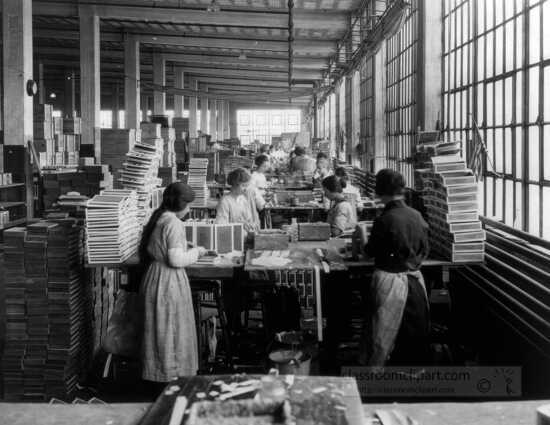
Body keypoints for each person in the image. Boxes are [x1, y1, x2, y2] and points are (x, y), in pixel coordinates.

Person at [358, 169, 430, 366]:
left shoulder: (384, 219)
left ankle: (379, 374)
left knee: (383, 331)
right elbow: (425, 251)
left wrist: (362, 233)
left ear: (380, 191)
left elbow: (368, 253)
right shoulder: (417, 216)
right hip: (415, 284)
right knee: (413, 332)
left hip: (389, 283)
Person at [139, 183, 207, 387]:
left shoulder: (160, 217)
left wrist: (186, 246)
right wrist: (197, 252)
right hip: (168, 282)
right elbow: (176, 260)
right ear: (180, 204)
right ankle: (171, 380)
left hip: (155, 277)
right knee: (172, 331)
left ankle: (158, 374)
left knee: (159, 333)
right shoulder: (175, 223)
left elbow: (164, 247)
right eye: (188, 205)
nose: (189, 210)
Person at [215, 167, 261, 234]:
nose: (245, 189)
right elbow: (221, 226)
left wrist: (251, 225)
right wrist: (240, 225)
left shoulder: (243, 199)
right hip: (230, 238)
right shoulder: (225, 201)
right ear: (235, 184)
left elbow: (248, 220)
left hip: (243, 237)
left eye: (247, 186)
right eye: (243, 186)